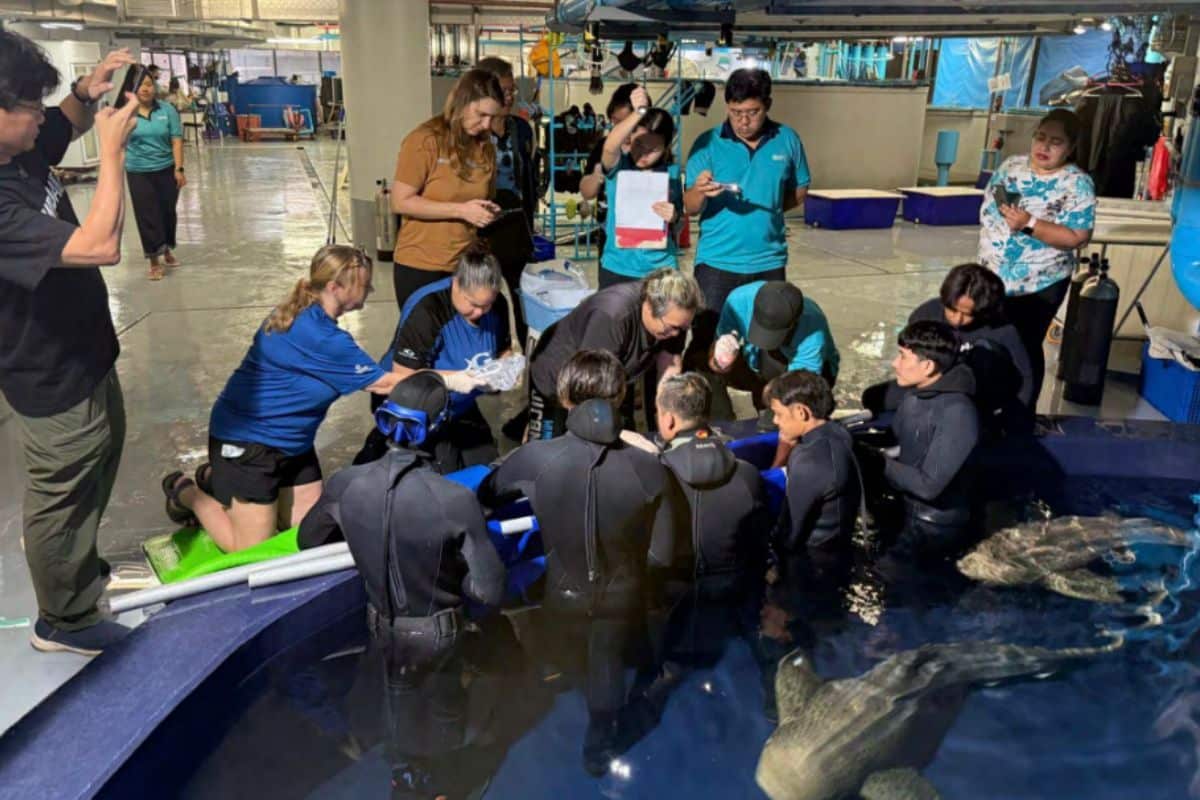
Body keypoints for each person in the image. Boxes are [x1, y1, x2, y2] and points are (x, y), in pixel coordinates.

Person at [295, 372, 506, 799]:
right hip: (438, 630)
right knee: (445, 704)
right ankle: (443, 785)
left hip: (381, 626)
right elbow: (488, 591)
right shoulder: (453, 499)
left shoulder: (345, 484)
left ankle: (405, 781)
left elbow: (308, 540)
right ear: (439, 426)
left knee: (400, 701)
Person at [477, 350, 686, 775]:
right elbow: (662, 556)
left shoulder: (535, 458)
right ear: (621, 395)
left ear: (566, 397)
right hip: (620, 596)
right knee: (607, 663)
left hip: (560, 591)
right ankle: (598, 750)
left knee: (553, 655)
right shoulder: (650, 467)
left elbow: (486, 495)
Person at [1, 34, 137, 656]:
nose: (40, 115)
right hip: (47, 370)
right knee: (63, 489)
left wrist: (90, 88)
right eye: (28, 104)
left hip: (85, 350)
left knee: (96, 464)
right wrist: (112, 154)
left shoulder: (18, 151)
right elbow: (100, 246)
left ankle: (77, 573)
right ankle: (65, 619)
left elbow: (63, 122)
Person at [160, 246, 404, 553]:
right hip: (248, 445)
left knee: (309, 536)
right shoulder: (321, 336)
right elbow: (383, 383)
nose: (370, 288)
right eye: (363, 283)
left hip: (293, 445)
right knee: (250, 551)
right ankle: (188, 492)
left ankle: (216, 478)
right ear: (335, 287)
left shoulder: (308, 313)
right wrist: (458, 380)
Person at [634, 372, 768, 723]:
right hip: (732, 595)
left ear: (668, 420)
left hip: (671, 601)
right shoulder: (748, 474)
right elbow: (759, 543)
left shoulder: (650, 477)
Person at [683, 68, 811, 371]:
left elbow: (801, 189)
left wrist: (770, 208)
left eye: (752, 112)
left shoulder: (787, 139)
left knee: (772, 347)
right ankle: (710, 405)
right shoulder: (707, 143)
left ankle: (766, 409)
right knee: (705, 341)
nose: (743, 120)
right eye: (735, 112)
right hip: (716, 263)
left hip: (768, 261)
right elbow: (689, 206)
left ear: (767, 104)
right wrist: (700, 192)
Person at [354, 242, 512, 472]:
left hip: (460, 404)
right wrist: (455, 379)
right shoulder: (428, 308)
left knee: (486, 471)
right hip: (414, 403)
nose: (479, 313)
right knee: (436, 476)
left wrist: (506, 368)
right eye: (473, 304)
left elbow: (503, 350)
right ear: (456, 283)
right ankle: (380, 447)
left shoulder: (497, 306)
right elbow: (403, 377)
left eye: (486, 305)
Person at [978, 108, 1096, 405]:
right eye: (1040, 137)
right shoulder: (1011, 167)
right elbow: (997, 209)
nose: (1044, 147)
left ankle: (1022, 413)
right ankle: (989, 406)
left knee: (1023, 345)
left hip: (1040, 280)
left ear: (1071, 147)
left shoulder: (1076, 183)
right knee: (989, 342)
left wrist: (1030, 224)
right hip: (993, 275)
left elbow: (1077, 237)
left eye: (1055, 142)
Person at [527, 268, 702, 439]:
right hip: (558, 375)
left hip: (612, 377)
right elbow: (591, 391)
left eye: (683, 328)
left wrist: (666, 412)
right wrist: (621, 434)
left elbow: (670, 362)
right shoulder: (612, 316)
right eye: (672, 328)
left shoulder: (676, 318)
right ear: (649, 306)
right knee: (549, 445)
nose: (676, 335)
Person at [863, 263, 1033, 436]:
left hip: (975, 396)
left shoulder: (1002, 330)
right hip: (928, 387)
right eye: (952, 310)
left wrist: (1011, 420)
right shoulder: (925, 314)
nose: (958, 319)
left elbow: (1024, 378)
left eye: (968, 314)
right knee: (873, 397)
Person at [864, 321, 979, 561]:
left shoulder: (958, 413)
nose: (895, 364)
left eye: (903, 357)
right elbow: (901, 443)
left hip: (935, 526)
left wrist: (876, 461)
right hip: (905, 509)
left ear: (927, 366)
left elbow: (929, 486)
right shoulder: (917, 394)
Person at [390, 69, 504, 312]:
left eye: (491, 118)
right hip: (421, 265)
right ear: (462, 102)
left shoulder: (485, 149)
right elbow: (400, 202)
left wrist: (485, 210)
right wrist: (461, 211)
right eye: (481, 114)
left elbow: (481, 196)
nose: (486, 124)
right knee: (425, 342)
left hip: (463, 267)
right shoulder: (425, 141)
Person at [764, 370, 862, 571]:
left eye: (779, 413)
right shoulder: (839, 435)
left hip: (811, 567)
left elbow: (789, 535)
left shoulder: (811, 461)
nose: (775, 421)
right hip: (837, 551)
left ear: (801, 412)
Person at [474, 56, 538, 351]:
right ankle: (493, 355)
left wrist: (531, 220)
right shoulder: (472, 134)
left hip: (516, 224)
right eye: (504, 90)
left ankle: (529, 356)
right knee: (486, 295)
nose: (510, 96)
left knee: (522, 293)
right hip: (481, 227)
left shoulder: (521, 130)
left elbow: (530, 178)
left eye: (512, 90)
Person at [708, 280, 839, 422]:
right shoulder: (738, 301)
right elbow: (717, 356)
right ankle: (727, 419)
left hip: (809, 373)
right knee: (701, 362)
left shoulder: (812, 327)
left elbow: (801, 389)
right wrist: (720, 360)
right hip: (760, 360)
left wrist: (775, 403)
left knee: (791, 415)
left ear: (794, 321)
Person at [593, 86, 682, 288]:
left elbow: (679, 225)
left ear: (666, 147)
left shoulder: (672, 174)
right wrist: (638, 112)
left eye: (653, 149)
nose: (643, 154)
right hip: (617, 268)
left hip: (661, 270)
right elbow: (609, 146)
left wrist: (675, 216)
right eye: (639, 144)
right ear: (630, 137)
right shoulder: (619, 166)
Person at [126, 69, 184, 280]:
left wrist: (179, 168)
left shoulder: (167, 110)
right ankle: (154, 260)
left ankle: (166, 247)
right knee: (147, 214)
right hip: (138, 171)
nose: (146, 88)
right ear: (133, 88)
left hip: (166, 168)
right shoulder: (127, 112)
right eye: (141, 84)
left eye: (149, 84)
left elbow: (176, 139)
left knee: (168, 212)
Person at [581, 83, 637, 259]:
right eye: (615, 121)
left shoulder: (650, 147)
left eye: (625, 122)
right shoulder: (603, 147)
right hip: (609, 234)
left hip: (643, 234)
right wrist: (598, 176)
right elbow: (586, 191)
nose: (619, 128)